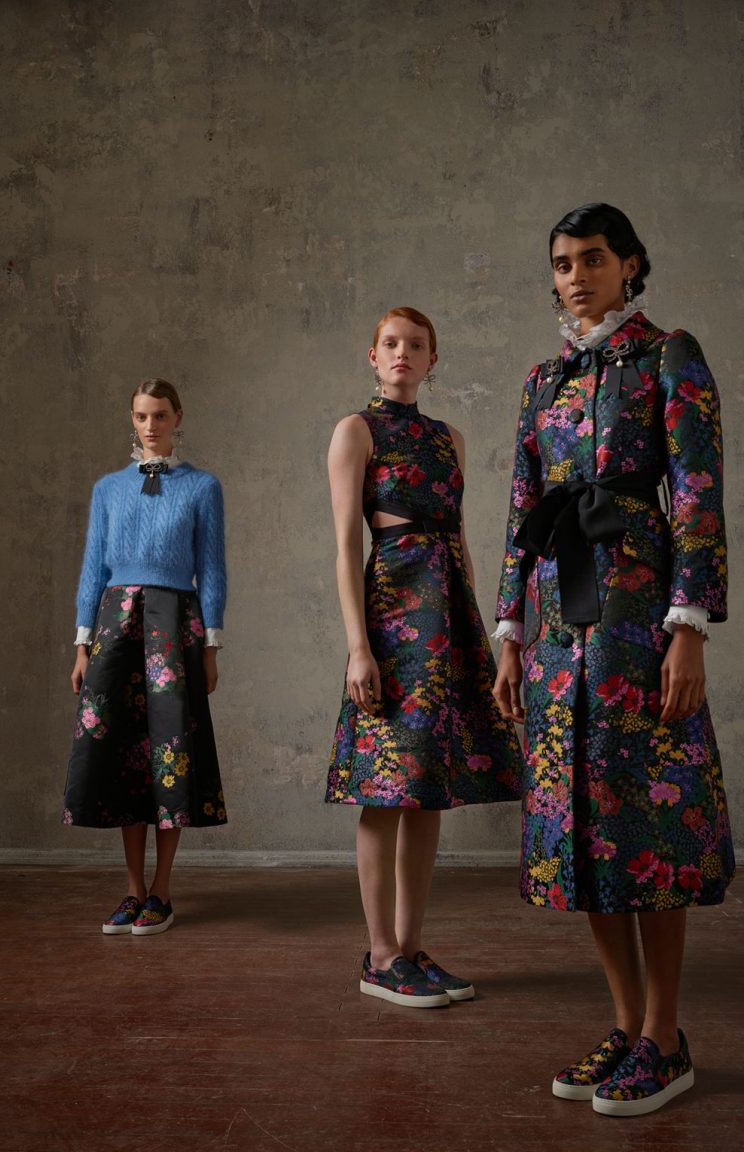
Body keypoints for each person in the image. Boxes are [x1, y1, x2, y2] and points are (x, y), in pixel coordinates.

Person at [493, 203, 734, 1115]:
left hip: (640, 616)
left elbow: (698, 492)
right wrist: (510, 633)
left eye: (592, 259)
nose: (576, 277)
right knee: (583, 822)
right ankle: (629, 1026)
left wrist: (688, 626)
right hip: (559, 622)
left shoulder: (670, 355)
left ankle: (667, 1037)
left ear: (630, 264)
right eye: (562, 264)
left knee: (646, 816)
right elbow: (524, 509)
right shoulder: (542, 380)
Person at [327, 307, 523, 1008]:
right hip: (391, 617)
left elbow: (458, 539)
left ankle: (411, 949)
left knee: (427, 787)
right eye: (390, 343)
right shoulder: (357, 431)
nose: (402, 353)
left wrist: (483, 633)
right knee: (386, 787)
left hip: (448, 619)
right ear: (372, 356)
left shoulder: (449, 440)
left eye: (415, 345)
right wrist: (358, 648)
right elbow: (347, 547)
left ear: (432, 360)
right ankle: (380, 955)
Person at [64, 378, 227, 936]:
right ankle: (132, 890)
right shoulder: (107, 489)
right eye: (141, 416)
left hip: (174, 628)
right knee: (122, 755)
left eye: (160, 415)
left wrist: (211, 647)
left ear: (178, 417)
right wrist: (83, 646)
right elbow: (93, 568)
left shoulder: (203, 487)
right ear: (131, 420)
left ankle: (162, 890)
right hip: (116, 628)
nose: (150, 425)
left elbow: (212, 570)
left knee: (169, 752)